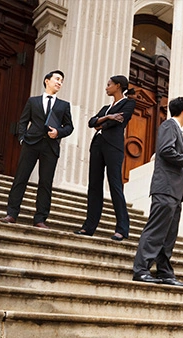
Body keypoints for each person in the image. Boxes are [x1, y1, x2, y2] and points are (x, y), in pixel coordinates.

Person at [132, 96, 183, 286]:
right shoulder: (169, 126)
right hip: (165, 188)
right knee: (156, 231)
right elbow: (166, 151)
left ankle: (164, 272)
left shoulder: (176, 129)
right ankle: (141, 270)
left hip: (175, 191)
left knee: (169, 235)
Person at [0, 70, 74, 229]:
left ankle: (40, 219)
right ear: (47, 80)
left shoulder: (64, 105)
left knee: (45, 183)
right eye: (57, 79)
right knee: (21, 178)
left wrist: (58, 132)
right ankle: (12, 214)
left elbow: (69, 127)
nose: (59, 82)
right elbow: (23, 121)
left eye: (62, 80)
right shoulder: (33, 101)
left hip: (51, 147)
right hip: (31, 144)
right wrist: (22, 138)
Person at [74, 75, 136, 240]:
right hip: (97, 145)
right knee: (94, 185)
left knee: (115, 184)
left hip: (113, 147)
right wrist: (108, 117)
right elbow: (91, 122)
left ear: (118, 86)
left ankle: (122, 229)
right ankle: (89, 227)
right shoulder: (105, 108)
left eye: (109, 85)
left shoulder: (129, 103)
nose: (106, 87)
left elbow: (120, 121)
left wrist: (102, 123)